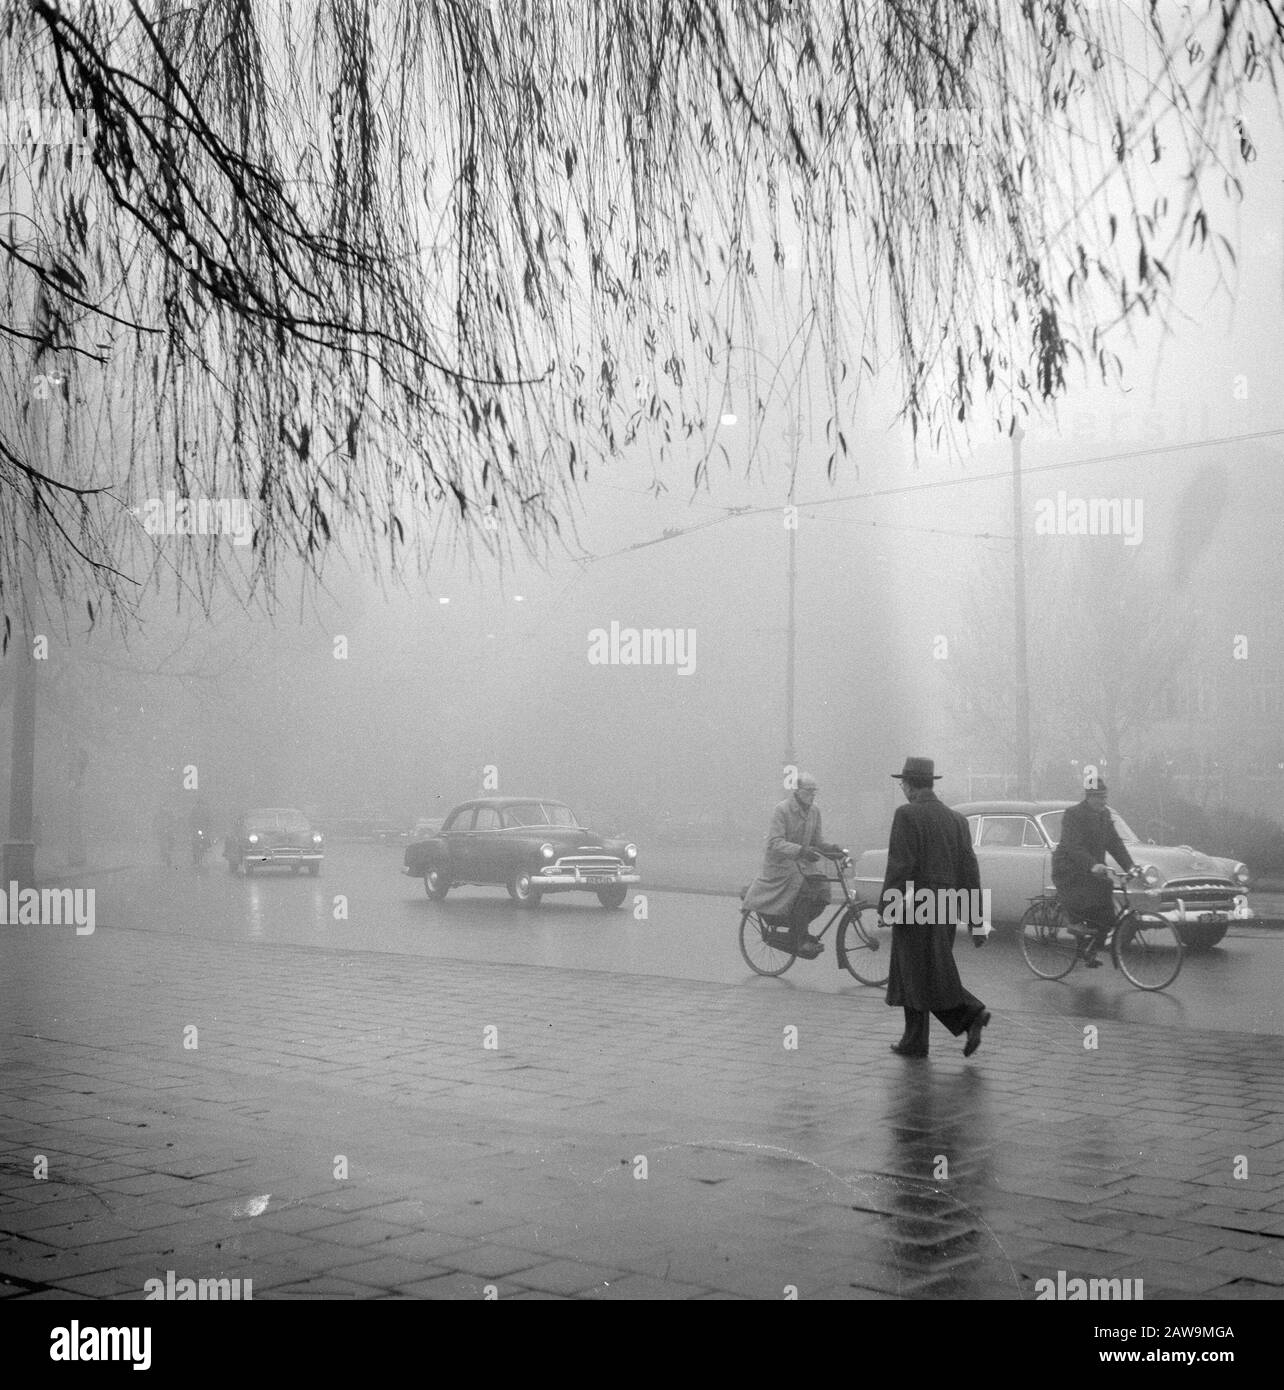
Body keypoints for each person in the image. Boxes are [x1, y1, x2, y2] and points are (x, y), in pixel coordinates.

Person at [882, 757, 990, 1058]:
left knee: (914, 972)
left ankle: (967, 1016)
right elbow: (970, 872)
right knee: (929, 973)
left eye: (902, 783)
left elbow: (900, 866)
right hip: (946, 907)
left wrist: (887, 906)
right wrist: (976, 921)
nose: (902, 788)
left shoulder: (906, 815)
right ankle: (916, 1040)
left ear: (909, 785)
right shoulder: (956, 820)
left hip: (915, 905)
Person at [742, 773, 845, 958]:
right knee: (804, 887)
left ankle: (797, 929)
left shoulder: (815, 811)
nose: (812, 795)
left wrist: (833, 850)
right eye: (808, 791)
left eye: (815, 791)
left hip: (802, 863)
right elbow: (775, 842)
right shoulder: (782, 810)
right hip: (780, 864)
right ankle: (800, 939)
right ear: (797, 791)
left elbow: (818, 840)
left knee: (823, 890)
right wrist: (801, 851)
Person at [1051, 779, 1135, 966]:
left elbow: (1115, 843)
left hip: (1093, 870)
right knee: (1087, 904)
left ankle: (1089, 950)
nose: (1103, 802)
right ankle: (1077, 928)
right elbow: (1073, 845)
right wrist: (1092, 865)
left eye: (1105, 797)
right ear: (1089, 797)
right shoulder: (1073, 814)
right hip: (1069, 869)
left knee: (1107, 915)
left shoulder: (1104, 815)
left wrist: (1130, 866)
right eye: (1099, 798)